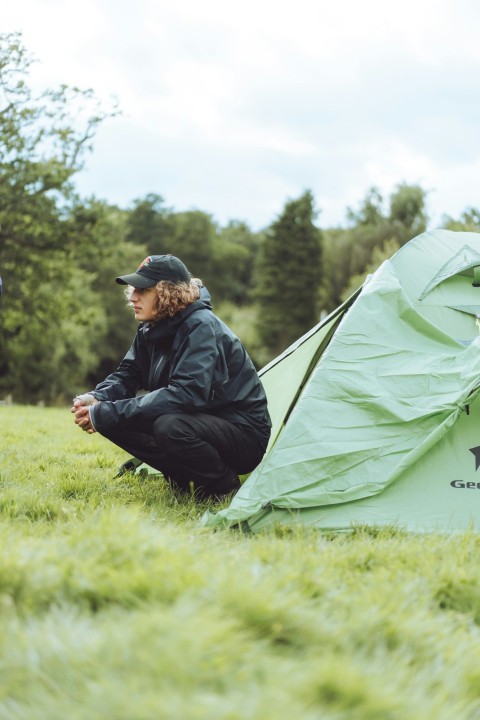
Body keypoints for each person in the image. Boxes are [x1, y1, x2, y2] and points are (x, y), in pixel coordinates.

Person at [71, 254, 271, 499]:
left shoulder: (201, 326)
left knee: (168, 426)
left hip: (243, 434)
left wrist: (107, 412)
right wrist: (96, 399)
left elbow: (186, 395)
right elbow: (128, 374)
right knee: (108, 417)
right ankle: (185, 479)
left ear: (168, 293)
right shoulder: (150, 327)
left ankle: (222, 487)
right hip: (199, 420)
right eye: (133, 289)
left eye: (143, 290)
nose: (132, 297)